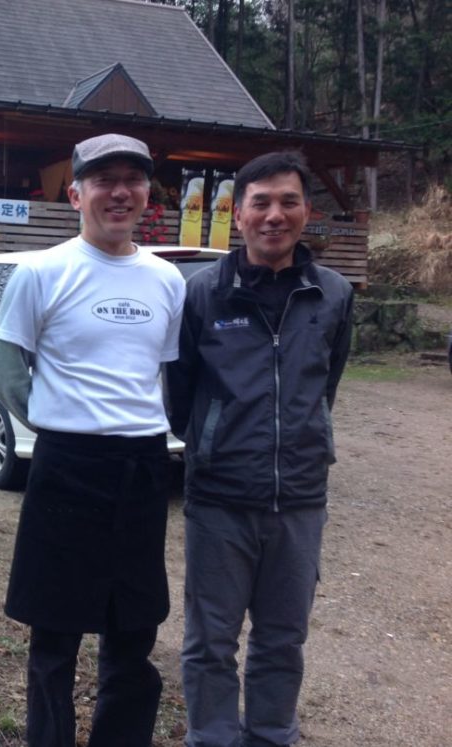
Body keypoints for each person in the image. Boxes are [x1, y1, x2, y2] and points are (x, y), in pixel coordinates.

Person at [0, 133, 186, 746]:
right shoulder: (41, 272)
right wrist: (59, 425)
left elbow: (166, 375)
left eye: (133, 178)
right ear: (76, 193)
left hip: (143, 465)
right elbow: (5, 372)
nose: (119, 191)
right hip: (67, 465)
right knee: (54, 634)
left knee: (134, 629)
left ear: (147, 193)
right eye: (104, 180)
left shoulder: (167, 279)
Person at [166, 151, 354, 747]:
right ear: (238, 214)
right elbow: (180, 394)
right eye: (261, 203)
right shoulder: (203, 295)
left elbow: (327, 384)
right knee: (210, 641)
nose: (275, 215)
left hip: (299, 498)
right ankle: (213, 738)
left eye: (288, 202)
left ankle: (273, 735)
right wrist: (214, 440)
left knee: (282, 638)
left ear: (307, 212)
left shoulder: (334, 294)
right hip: (219, 499)